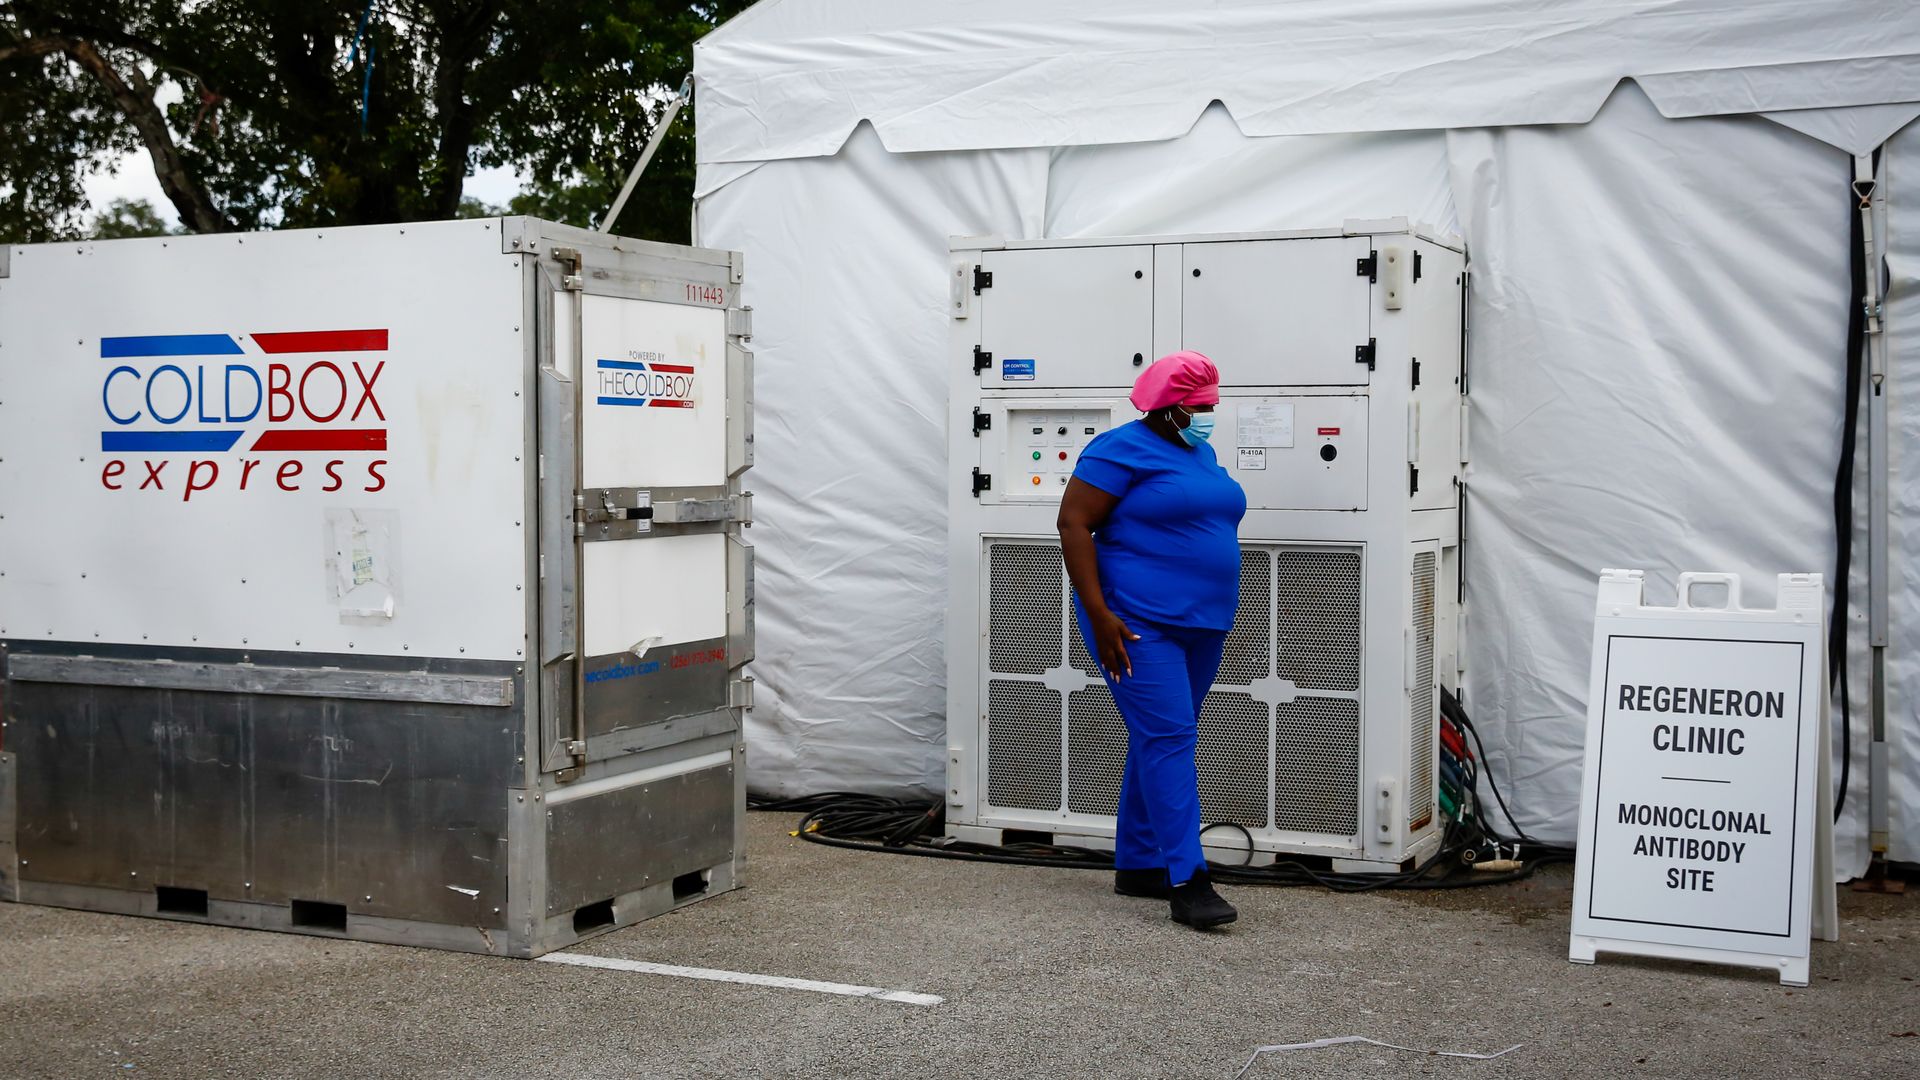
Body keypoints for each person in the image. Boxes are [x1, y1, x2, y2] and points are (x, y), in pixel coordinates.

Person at [1057, 350, 1247, 930]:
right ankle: (1188, 879)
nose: (1210, 413)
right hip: (1136, 620)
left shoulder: (1200, 451)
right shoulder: (1118, 448)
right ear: (1168, 409)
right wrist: (1098, 611)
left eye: (1214, 404)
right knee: (1170, 737)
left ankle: (1139, 864)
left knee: (1159, 737)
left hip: (1201, 621)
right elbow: (1073, 522)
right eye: (1200, 406)